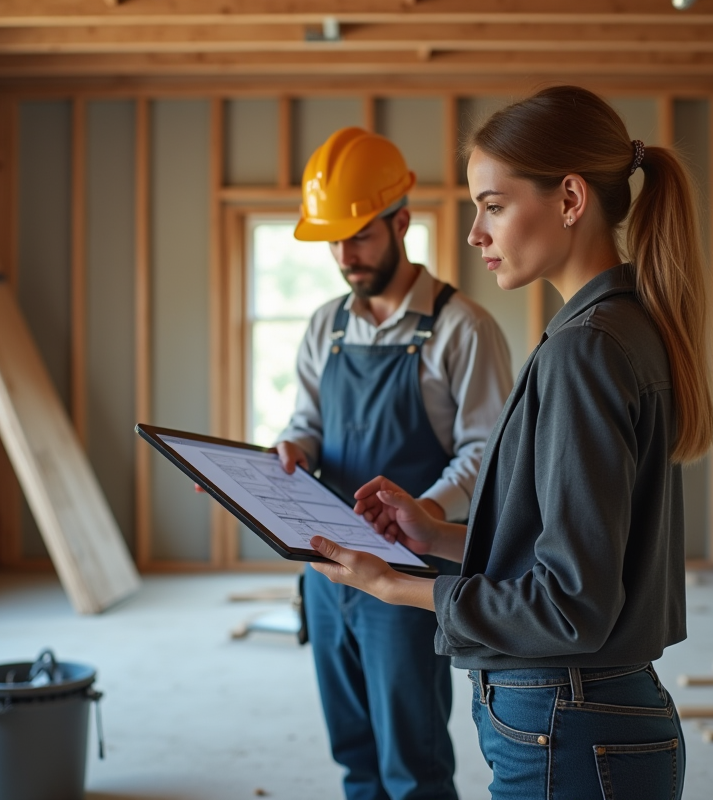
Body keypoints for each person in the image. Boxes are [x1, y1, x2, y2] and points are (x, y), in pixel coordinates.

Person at [307, 86, 713, 800]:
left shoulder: (583, 351)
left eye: (492, 205)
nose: (474, 234)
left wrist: (397, 585)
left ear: (568, 199)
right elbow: (563, 553)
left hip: (566, 719)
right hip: (586, 712)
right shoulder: (615, 328)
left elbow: (569, 604)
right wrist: (437, 532)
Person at [276, 127, 513, 800]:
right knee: (353, 750)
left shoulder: (462, 329)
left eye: (360, 236)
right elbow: (308, 420)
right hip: (326, 566)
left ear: (401, 222)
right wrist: (295, 446)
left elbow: (486, 454)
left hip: (405, 568)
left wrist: (427, 512)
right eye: (334, 240)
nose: (345, 256)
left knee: (413, 760)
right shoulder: (326, 325)